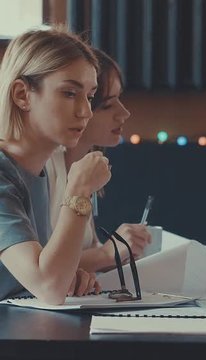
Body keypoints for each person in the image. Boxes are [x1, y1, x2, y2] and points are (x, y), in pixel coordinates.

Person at [0, 27, 111, 304]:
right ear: (22, 95)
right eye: (69, 93)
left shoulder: (37, 170)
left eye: (89, 96)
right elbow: (49, 286)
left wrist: (69, 273)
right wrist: (80, 190)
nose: (85, 112)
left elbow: (44, 276)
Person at [46, 48, 150, 273]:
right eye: (107, 104)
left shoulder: (87, 167)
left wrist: (118, 254)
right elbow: (40, 270)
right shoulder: (45, 166)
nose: (124, 113)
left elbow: (83, 251)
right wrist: (107, 253)